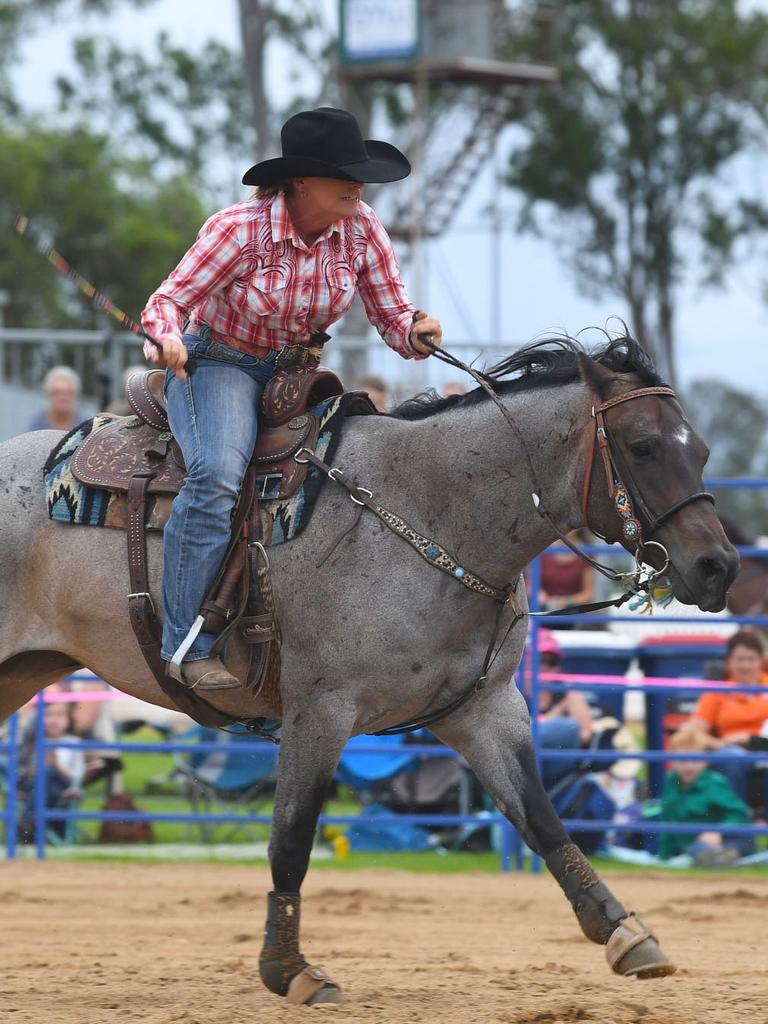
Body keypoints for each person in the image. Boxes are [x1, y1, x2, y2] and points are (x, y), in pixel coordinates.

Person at [141, 107, 443, 689]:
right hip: (220, 364)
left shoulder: (362, 229)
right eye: (344, 174)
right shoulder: (238, 230)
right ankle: (184, 642)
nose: (359, 185)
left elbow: (391, 313)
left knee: (358, 475)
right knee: (217, 477)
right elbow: (167, 303)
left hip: (297, 376)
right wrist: (168, 340)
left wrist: (414, 332)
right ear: (301, 181)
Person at [682, 630, 768, 808]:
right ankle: (738, 823)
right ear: (729, 662)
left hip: (764, 748)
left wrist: (749, 739)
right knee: (731, 757)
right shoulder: (717, 691)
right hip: (731, 754)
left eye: (751, 659)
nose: (745, 665)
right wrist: (723, 744)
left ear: (761, 661)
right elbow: (694, 733)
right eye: (739, 659)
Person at [659, 728, 755, 865]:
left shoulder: (715, 783)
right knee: (697, 850)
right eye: (682, 760)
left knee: (712, 850)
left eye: (695, 760)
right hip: (690, 846)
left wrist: (718, 832)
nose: (688, 767)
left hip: (729, 839)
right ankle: (718, 859)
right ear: (672, 761)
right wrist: (663, 859)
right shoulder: (670, 781)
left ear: (705, 761)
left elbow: (740, 813)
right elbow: (666, 820)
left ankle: (723, 858)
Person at [532, 629, 594, 789]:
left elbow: (585, 734)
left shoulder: (566, 693)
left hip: (555, 768)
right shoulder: (513, 691)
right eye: (538, 660)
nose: (545, 667)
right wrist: (558, 713)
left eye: (552, 662)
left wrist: (570, 691)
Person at [18, 700, 85, 842]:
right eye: (48, 715)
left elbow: (77, 777)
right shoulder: (32, 743)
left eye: (60, 715)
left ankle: (29, 819)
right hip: (37, 788)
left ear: (68, 720)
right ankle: (34, 821)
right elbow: (23, 774)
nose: (54, 720)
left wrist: (56, 764)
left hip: (64, 787)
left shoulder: (73, 743)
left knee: (49, 772)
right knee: (45, 775)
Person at [538, 529, 596, 628]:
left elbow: (588, 594)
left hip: (571, 615)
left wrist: (565, 602)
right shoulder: (543, 550)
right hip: (541, 610)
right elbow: (530, 585)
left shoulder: (587, 553)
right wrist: (538, 593)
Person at [26, 366, 86, 432]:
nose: (62, 398)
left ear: (75, 395)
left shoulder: (85, 424)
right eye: (56, 393)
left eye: (68, 393)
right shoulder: (37, 422)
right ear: (48, 395)